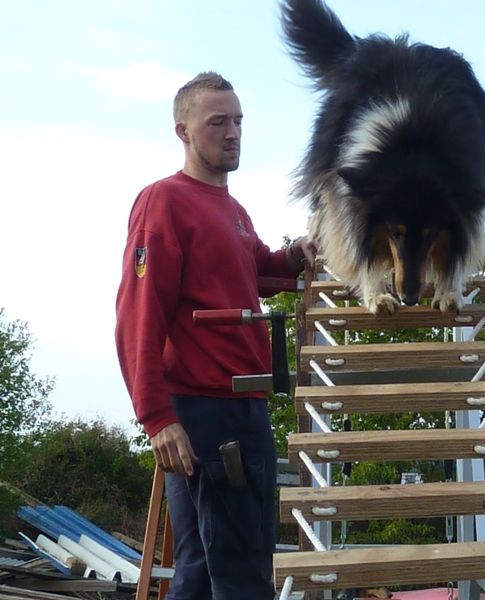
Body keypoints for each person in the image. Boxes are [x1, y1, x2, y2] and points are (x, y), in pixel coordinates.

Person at [115, 71, 315, 600]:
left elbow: (259, 274)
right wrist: (157, 417)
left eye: (239, 121)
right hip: (207, 411)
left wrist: (297, 254)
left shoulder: (233, 211)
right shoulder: (165, 202)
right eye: (217, 122)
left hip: (240, 405)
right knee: (243, 570)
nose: (232, 133)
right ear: (183, 131)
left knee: (204, 571)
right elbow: (139, 311)